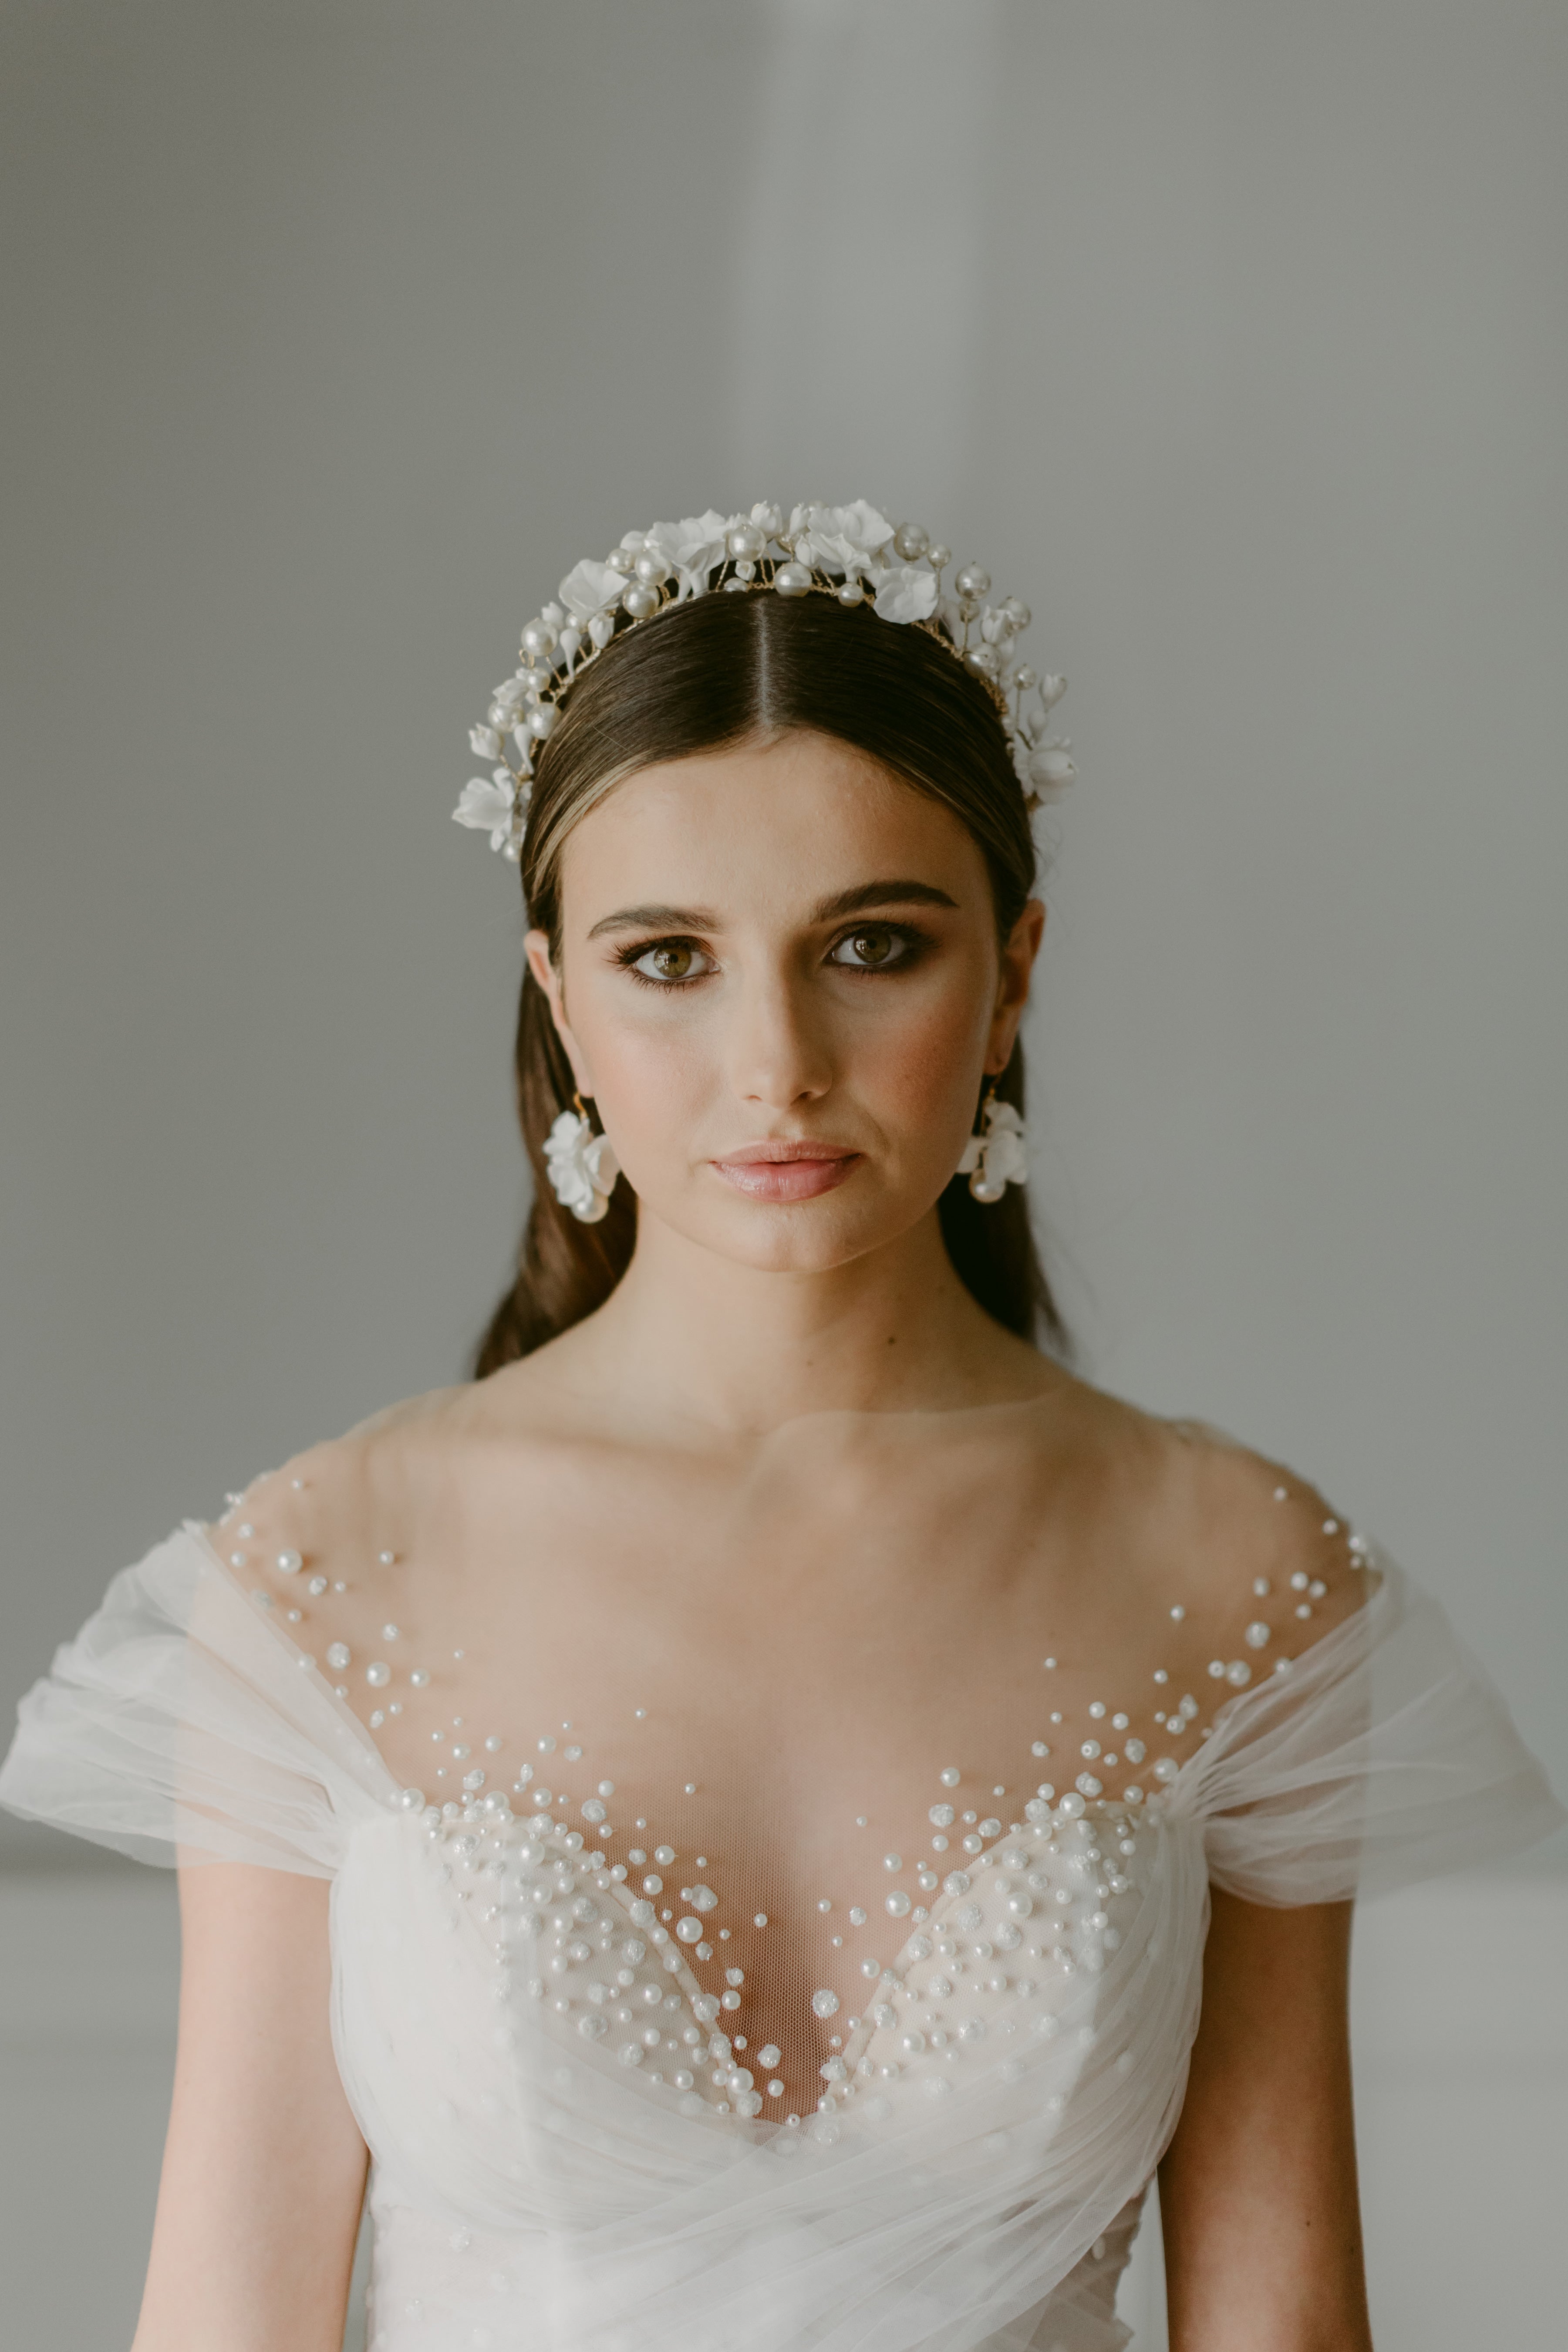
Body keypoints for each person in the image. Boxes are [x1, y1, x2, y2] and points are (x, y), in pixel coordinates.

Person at [3, 502, 1559, 2352]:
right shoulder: (322, 1578)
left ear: (1013, 976)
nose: (776, 1066)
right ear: (556, 994)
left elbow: (1285, 2329)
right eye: (670, 956)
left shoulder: (1230, 1567)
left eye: (872, 945)